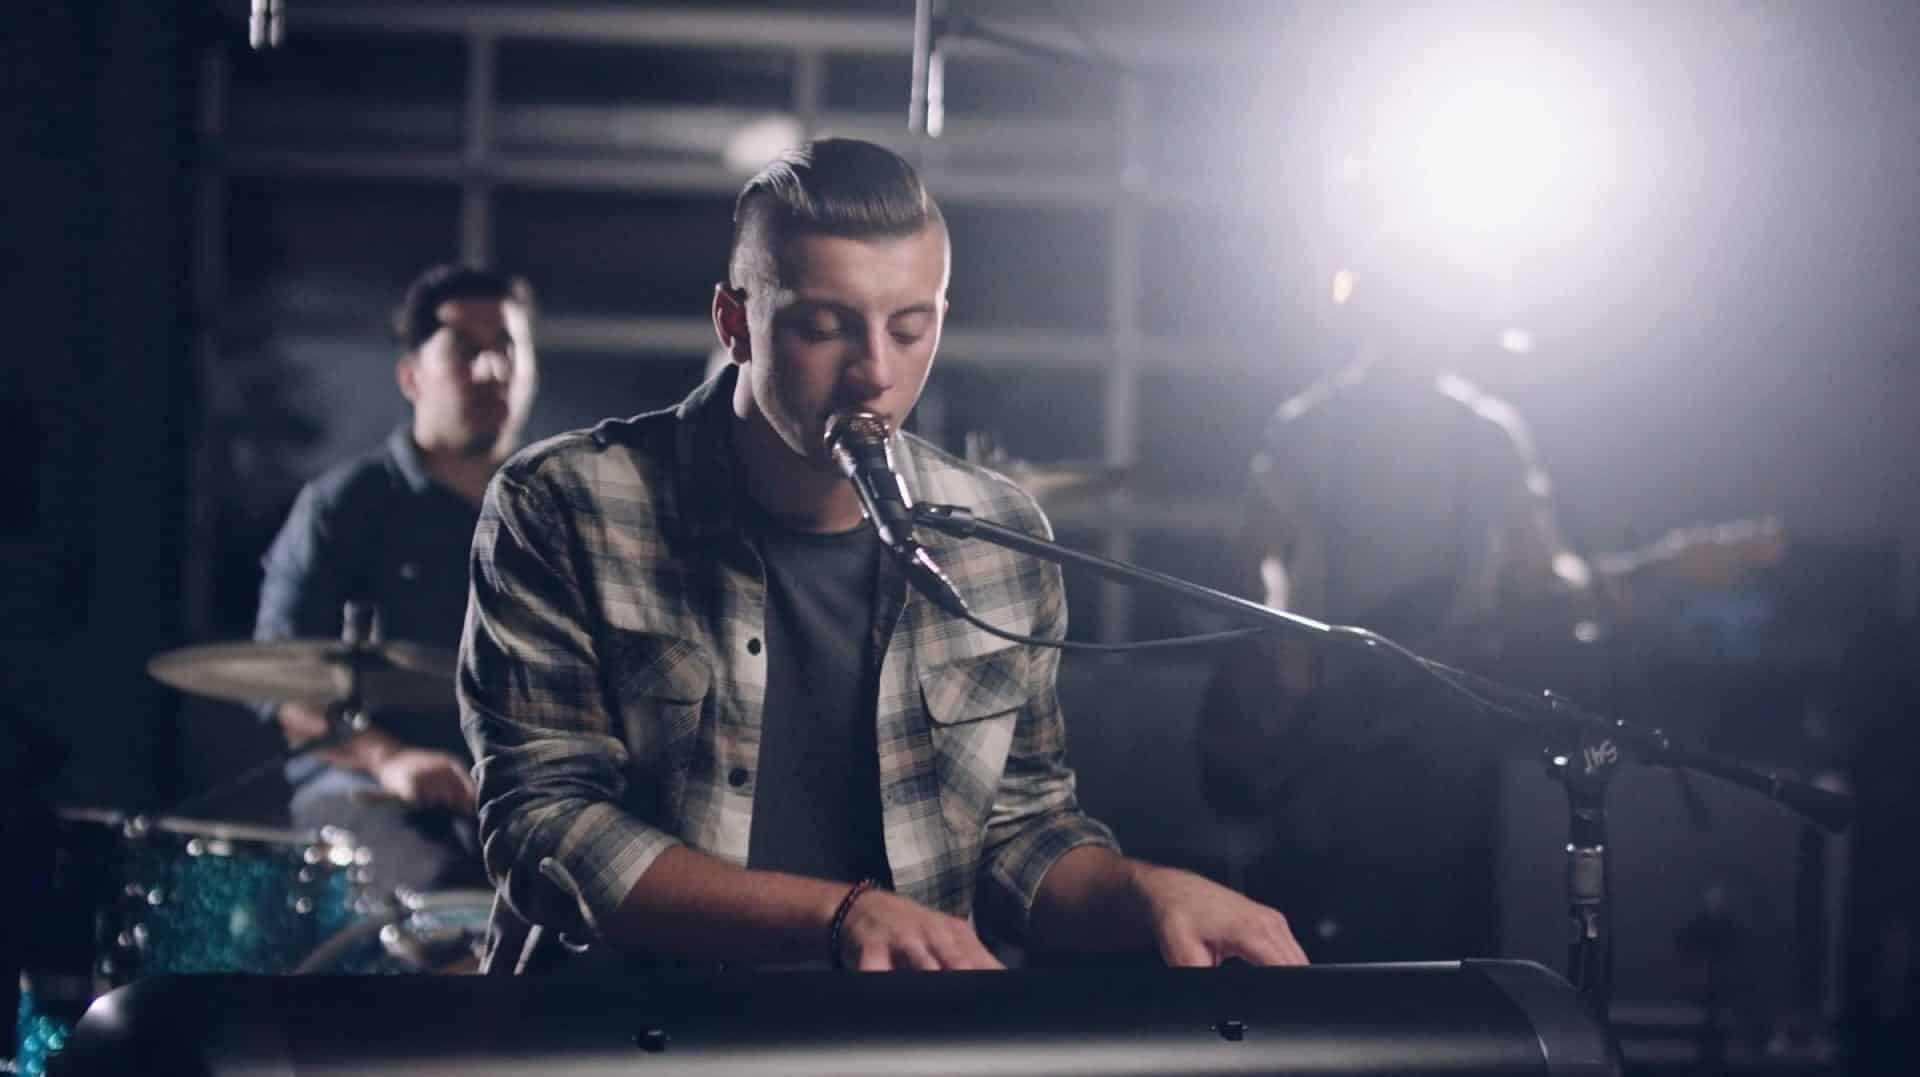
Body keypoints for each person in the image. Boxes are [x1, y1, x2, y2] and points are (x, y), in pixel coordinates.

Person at [460, 138, 1307, 974]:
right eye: (825, 327)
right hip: (636, 1042)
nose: (875, 371)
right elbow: (546, 827)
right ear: (735, 324)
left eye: (911, 327)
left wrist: (1151, 892)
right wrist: (837, 918)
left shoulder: (999, 534)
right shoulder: (562, 504)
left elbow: (1019, 836)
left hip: (896, 1049)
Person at [255, 264, 538, 894]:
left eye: (508, 349)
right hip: (367, 792)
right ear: (411, 376)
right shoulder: (343, 506)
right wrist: (389, 760)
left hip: (514, 802)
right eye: (468, 351)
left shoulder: (554, 509)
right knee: (438, 909)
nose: (494, 370)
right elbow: (284, 687)